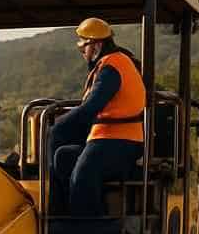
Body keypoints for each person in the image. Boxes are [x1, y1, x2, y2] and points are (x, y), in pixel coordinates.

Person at [49, 18, 145, 217]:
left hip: (121, 140)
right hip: (107, 137)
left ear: (97, 46)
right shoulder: (107, 65)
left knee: (82, 176)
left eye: (83, 47)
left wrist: (59, 125)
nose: (82, 52)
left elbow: (91, 107)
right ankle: (62, 215)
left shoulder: (112, 68)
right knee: (63, 157)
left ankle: (89, 229)